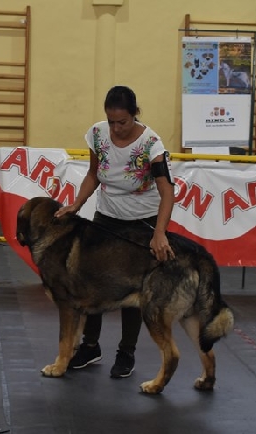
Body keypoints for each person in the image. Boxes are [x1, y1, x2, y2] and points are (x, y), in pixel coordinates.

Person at [54, 85, 175, 378]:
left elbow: (167, 192)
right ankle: (90, 346)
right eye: (112, 122)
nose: (117, 128)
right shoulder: (98, 135)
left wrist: (159, 233)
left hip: (141, 221)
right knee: (92, 281)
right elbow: (93, 174)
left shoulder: (151, 145)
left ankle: (126, 352)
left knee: (131, 289)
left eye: (123, 122)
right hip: (107, 216)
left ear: (135, 114)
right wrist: (77, 203)